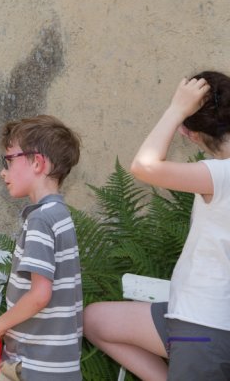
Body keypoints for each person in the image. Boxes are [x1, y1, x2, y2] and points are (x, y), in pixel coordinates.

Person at [83, 72, 230, 381]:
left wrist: (176, 110)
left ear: (190, 134)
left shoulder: (221, 175)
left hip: (205, 326)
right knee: (96, 320)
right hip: (189, 317)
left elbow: (144, 166)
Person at [0, 115, 83, 381]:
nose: (3, 171)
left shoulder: (41, 220)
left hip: (33, 365)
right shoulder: (59, 214)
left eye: (9, 161)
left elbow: (39, 295)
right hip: (58, 365)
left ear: (37, 162)